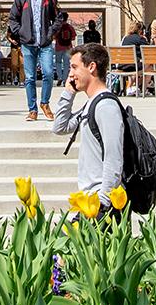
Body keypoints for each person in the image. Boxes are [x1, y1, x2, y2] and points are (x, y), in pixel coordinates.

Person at [51, 43, 125, 218]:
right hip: (90, 201)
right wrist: (69, 92)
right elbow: (60, 127)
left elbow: (114, 158)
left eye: (75, 67)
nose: (70, 74)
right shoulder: (92, 103)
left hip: (101, 204)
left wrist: (103, 202)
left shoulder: (106, 107)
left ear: (92, 67)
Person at [7, 0, 62, 121]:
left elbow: (59, 18)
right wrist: (21, 32)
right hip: (28, 44)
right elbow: (12, 19)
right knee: (30, 78)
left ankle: (45, 103)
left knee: (49, 74)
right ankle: (33, 110)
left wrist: (50, 33)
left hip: (45, 43)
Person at [119, 21, 150, 96]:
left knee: (135, 66)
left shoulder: (125, 39)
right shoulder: (140, 39)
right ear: (139, 30)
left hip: (122, 66)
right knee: (149, 66)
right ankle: (144, 89)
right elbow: (148, 49)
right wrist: (145, 39)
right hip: (133, 66)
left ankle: (130, 88)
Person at [51, 11, 77, 86]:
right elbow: (73, 37)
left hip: (59, 47)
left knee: (58, 62)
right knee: (66, 64)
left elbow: (53, 36)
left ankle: (59, 77)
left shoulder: (58, 27)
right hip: (68, 47)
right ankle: (65, 79)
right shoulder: (69, 27)